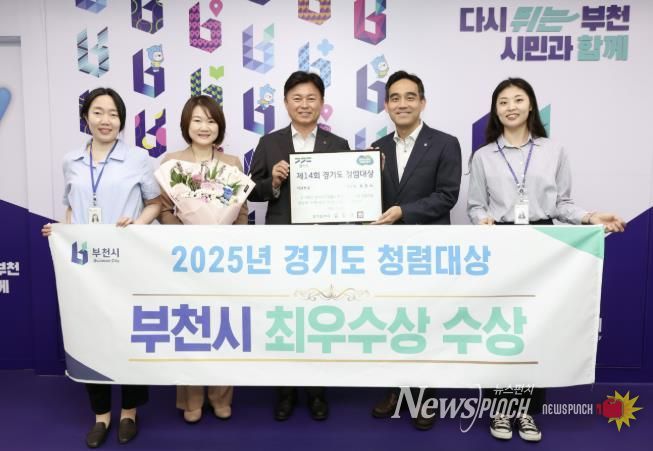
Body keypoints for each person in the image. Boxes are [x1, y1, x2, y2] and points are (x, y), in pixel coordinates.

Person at [467, 77, 626, 442]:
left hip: (542, 244)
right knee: (501, 329)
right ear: (495, 110)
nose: (511, 107)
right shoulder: (483, 156)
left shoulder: (554, 151)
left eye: (518, 99)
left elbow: (562, 205)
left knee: (534, 329)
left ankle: (526, 411)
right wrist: (482, 220)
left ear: (531, 106)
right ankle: (500, 409)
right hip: (501, 243)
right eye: (503, 101)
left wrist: (590, 217)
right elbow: (475, 205)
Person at [42, 87, 161, 448]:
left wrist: (138, 224)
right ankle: (101, 415)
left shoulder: (138, 158)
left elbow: (155, 203)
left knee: (129, 332)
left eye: (113, 114)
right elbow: (71, 207)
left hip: (127, 261)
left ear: (121, 120)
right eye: (98, 112)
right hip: (87, 267)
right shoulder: (72, 161)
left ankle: (129, 412)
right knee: (91, 336)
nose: (105, 120)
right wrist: (63, 231)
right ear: (86, 118)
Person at [248, 71, 350, 420]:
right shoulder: (269, 143)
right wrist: (273, 182)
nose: (304, 105)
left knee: (319, 321)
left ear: (322, 103)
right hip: (283, 245)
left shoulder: (338, 145)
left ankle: (317, 392)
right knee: (285, 320)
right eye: (297, 98)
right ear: (286, 102)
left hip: (324, 246)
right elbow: (252, 191)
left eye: (311, 98)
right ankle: (285, 392)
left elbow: (350, 195)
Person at [370, 70, 462, 430]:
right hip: (388, 253)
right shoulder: (376, 148)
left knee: (426, 323)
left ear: (422, 102)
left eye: (410, 97)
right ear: (386, 105)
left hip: (428, 249)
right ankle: (396, 390)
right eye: (395, 98)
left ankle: (425, 396)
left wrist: (403, 212)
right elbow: (367, 200)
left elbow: (447, 196)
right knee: (394, 323)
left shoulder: (445, 143)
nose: (402, 104)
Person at [158, 95, 247, 422]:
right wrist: (187, 234)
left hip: (224, 259)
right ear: (186, 125)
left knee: (224, 327)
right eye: (197, 120)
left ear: (219, 126)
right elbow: (164, 210)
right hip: (186, 258)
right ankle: (191, 399)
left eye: (210, 121)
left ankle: (221, 396)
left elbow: (241, 211)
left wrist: (229, 238)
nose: (204, 127)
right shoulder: (172, 162)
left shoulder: (232, 164)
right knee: (190, 327)